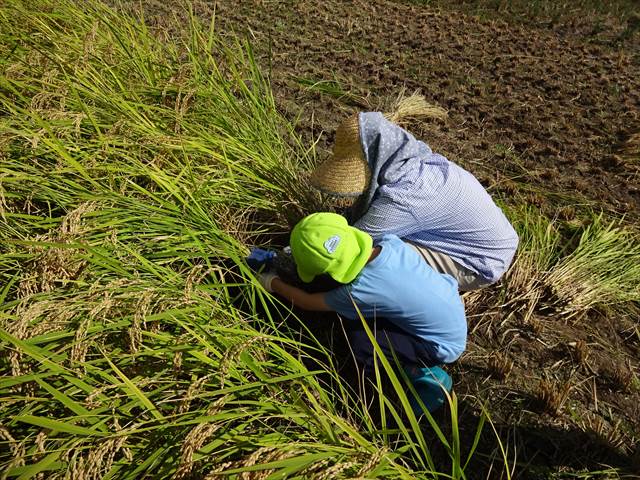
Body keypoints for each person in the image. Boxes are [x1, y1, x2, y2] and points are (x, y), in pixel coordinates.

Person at [255, 212, 466, 414]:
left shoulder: (358, 291)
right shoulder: (391, 244)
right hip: (452, 312)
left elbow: (307, 302)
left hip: (439, 346)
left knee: (363, 343)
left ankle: (423, 374)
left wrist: (272, 282)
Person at [309, 112, 519, 291]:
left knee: (374, 257)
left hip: (479, 262)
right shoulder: (414, 161)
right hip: (496, 238)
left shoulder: (405, 196)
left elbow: (353, 243)